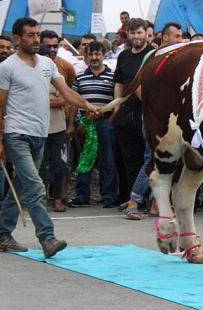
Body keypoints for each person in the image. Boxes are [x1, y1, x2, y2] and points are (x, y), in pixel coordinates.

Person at [0, 17, 98, 258]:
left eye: (37, 35)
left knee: (23, 188)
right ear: (17, 39)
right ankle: (47, 237)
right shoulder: (7, 67)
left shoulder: (47, 64)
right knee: (35, 186)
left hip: (40, 135)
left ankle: (2, 234)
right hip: (16, 135)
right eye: (30, 35)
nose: (35, 40)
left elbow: (66, 92)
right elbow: (0, 106)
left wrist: (87, 104)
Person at [112, 18, 153, 218]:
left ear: (146, 33)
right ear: (127, 34)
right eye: (133, 33)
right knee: (130, 160)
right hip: (126, 115)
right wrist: (115, 107)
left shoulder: (153, 55)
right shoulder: (124, 56)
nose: (136, 36)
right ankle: (134, 198)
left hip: (149, 114)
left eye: (139, 32)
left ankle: (145, 201)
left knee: (151, 158)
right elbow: (119, 83)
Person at [68, 41, 117, 209]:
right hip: (85, 124)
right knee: (84, 159)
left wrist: (110, 121)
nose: (94, 57)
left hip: (106, 123)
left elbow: (117, 101)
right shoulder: (79, 77)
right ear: (86, 56)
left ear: (104, 55)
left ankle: (109, 196)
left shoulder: (113, 76)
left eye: (98, 54)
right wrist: (71, 125)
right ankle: (82, 196)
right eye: (91, 54)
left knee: (108, 160)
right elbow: (74, 102)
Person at [39, 30, 76, 213]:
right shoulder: (30, 66)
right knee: (39, 166)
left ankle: (58, 199)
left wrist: (70, 125)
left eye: (55, 46)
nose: (52, 49)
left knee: (60, 165)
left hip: (59, 127)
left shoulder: (66, 67)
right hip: (36, 127)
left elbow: (67, 98)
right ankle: (40, 199)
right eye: (48, 46)